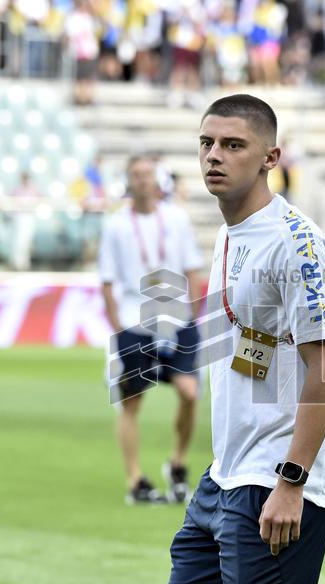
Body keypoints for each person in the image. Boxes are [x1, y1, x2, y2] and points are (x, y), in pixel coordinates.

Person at [151, 94, 325, 584]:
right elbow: (250, 350)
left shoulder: (296, 243)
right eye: (206, 143)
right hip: (225, 475)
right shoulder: (229, 231)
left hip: (276, 482)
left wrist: (291, 481)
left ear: (270, 157)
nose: (214, 156)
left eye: (233, 145)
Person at [100, 155, 205, 505]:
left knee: (190, 393)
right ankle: (135, 479)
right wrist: (117, 325)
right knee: (131, 403)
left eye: (147, 174)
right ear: (129, 181)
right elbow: (107, 279)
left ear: (157, 179)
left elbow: (192, 267)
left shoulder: (175, 219)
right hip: (134, 320)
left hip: (177, 319)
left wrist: (192, 312)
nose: (143, 180)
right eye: (136, 175)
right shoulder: (116, 225)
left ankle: (177, 462)